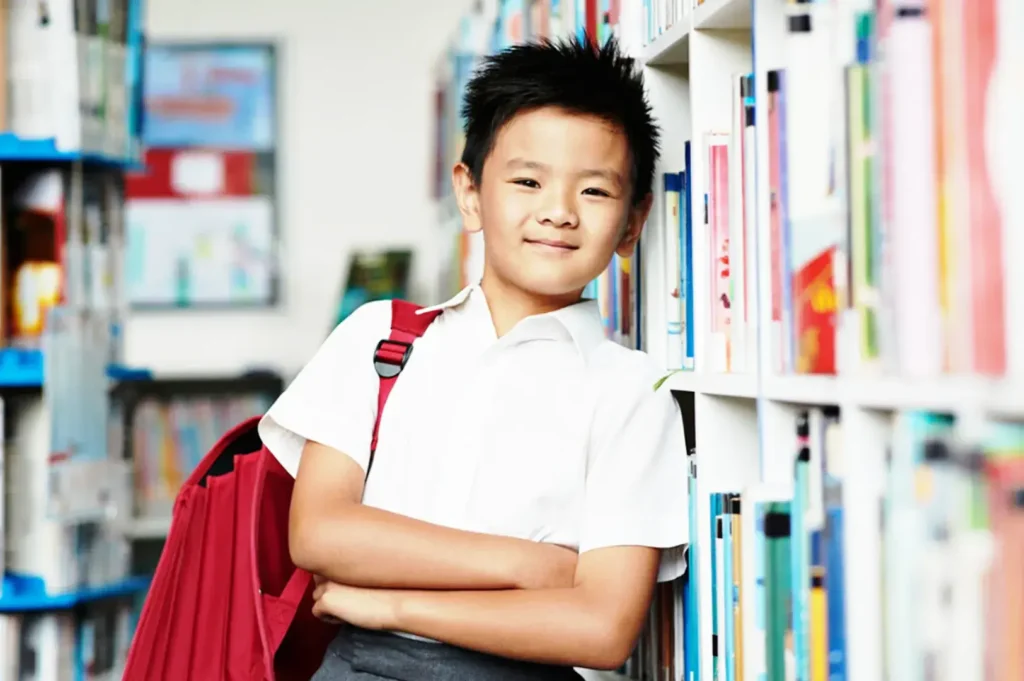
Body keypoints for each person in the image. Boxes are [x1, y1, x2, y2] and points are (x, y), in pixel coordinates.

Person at [258, 34, 689, 681]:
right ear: (469, 192)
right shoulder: (381, 340)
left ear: (633, 221)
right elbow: (319, 532)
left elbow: (601, 629)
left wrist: (389, 601)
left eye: (595, 192)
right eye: (527, 180)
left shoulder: (632, 389)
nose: (558, 212)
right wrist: (528, 565)